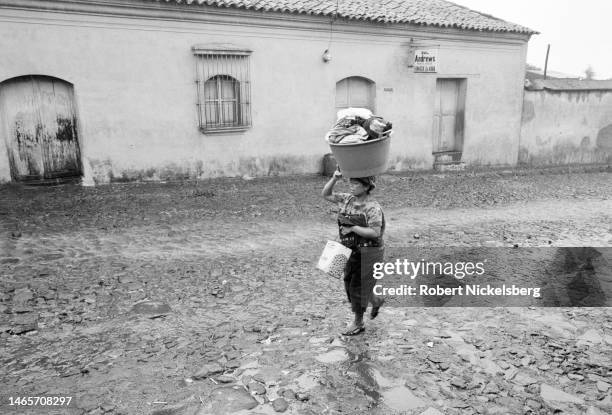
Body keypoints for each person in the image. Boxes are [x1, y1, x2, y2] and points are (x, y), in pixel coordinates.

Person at [322, 168, 385, 335]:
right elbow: (326, 195)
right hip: (347, 249)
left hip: (368, 252)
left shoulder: (372, 207)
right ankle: (376, 299)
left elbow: (375, 232)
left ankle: (358, 322)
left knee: (357, 286)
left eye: (356, 183)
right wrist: (334, 179)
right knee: (349, 282)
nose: (351, 186)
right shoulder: (347, 199)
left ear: (366, 187)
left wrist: (353, 228)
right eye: (351, 182)